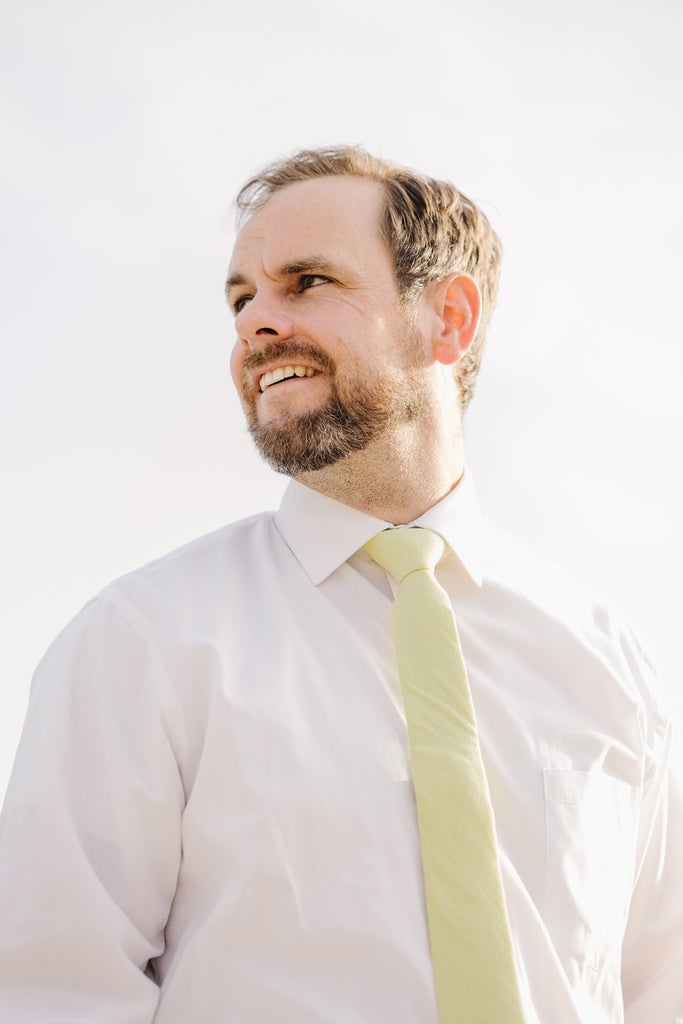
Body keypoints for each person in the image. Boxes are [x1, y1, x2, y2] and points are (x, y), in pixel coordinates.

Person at [0, 146, 681, 1024]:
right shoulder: (141, 642)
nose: (255, 323)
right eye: (242, 298)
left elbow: (658, 989)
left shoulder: (605, 657)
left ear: (449, 318)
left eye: (307, 281)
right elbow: (54, 994)